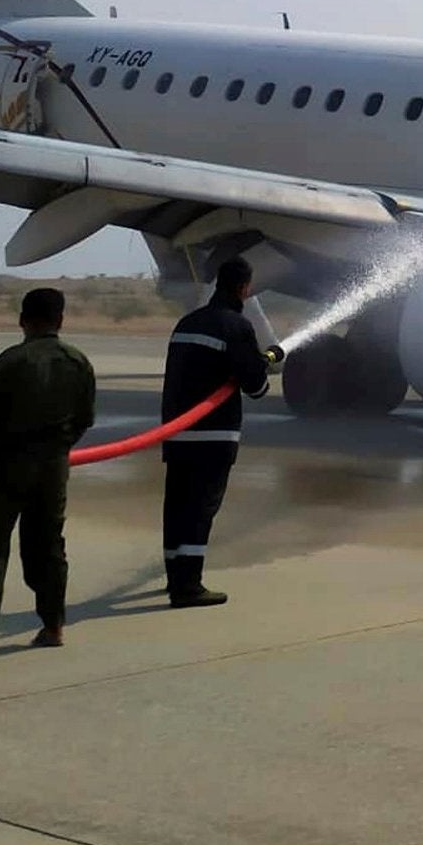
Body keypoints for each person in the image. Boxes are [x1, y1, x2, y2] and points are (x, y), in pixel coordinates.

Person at [0, 287, 96, 671]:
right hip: (55, 468)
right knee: (48, 547)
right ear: (60, 320)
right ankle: (54, 626)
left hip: (10, 467)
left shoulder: (11, 362)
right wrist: (57, 450)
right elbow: (85, 420)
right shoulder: (78, 361)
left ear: (22, 320)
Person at [161, 256, 273, 607]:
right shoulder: (236, 327)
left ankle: (174, 576)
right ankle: (188, 586)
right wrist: (263, 361)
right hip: (213, 436)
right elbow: (255, 386)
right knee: (201, 509)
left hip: (177, 432)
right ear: (244, 288)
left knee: (176, 507)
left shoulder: (187, 323)